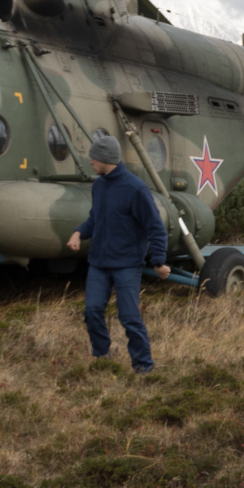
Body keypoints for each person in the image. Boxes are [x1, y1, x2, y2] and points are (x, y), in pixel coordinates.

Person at [66, 133, 171, 372]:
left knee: (129, 317)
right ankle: (102, 357)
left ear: (106, 158)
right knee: (92, 311)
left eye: (94, 157)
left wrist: (158, 261)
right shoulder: (99, 185)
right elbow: (95, 219)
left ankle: (143, 365)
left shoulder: (135, 189)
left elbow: (155, 227)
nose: (90, 161)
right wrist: (78, 233)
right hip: (98, 264)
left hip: (127, 264)